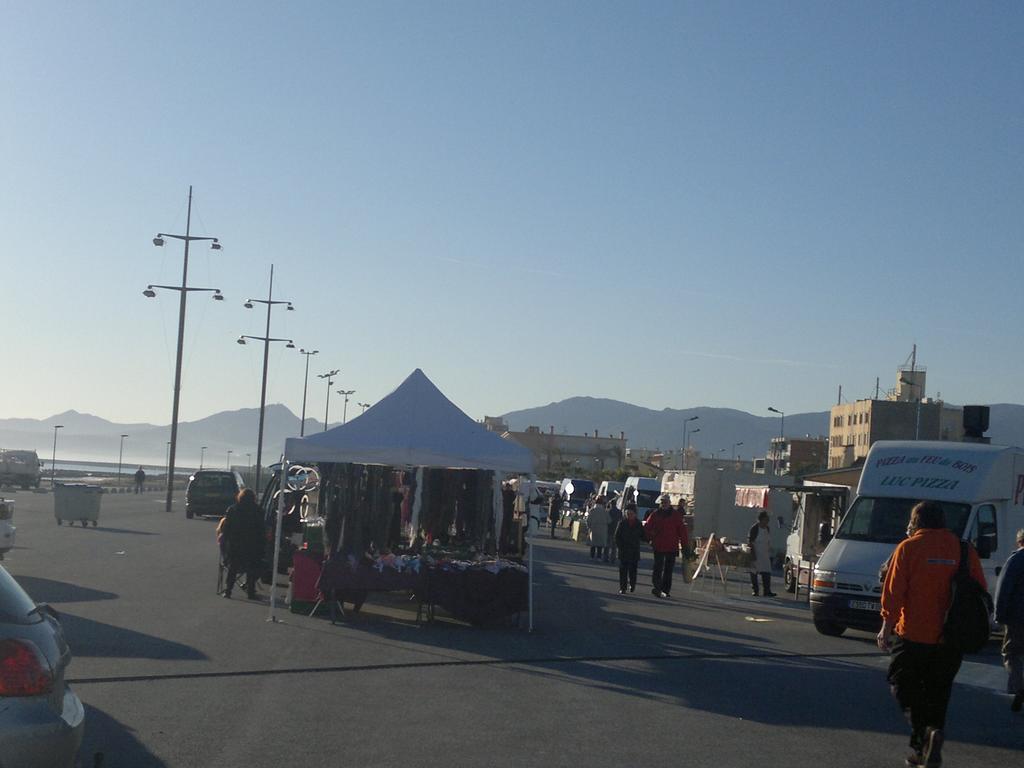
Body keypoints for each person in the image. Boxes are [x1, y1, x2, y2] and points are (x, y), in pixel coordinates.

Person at [878, 501, 987, 768]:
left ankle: (924, 737)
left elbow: (893, 593)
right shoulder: (963, 549)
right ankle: (932, 737)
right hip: (950, 638)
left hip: (913, 634)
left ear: (916, 521)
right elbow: (979, 590)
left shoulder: (909, 548)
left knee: (902, 685)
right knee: (939, 692)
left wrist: (885, 627)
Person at [994, 528, 1024, 713]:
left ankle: (1018, 687)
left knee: (1011, 653)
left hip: (1018, 617)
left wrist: (999, 614)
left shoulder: (1016, 559)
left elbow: (1004, 588)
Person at [221, 488, 266, 599]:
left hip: (234, 547)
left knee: (233, 568)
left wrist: (225, 549)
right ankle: (250, 591)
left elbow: (225, 530)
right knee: (254, 567)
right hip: (252, 547)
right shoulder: (258, 511)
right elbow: (261, 531)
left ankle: (228, 591)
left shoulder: (232, 510)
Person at [644, 495, 687, 598]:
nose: (664, 504)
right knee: (657, 567)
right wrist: (650, 536)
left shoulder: (675, 515)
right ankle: (657, 587)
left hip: (671, 546)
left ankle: (665, 590)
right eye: (662, 502)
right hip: (658, 545)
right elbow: (647, 527)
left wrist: (685, 545)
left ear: (669, 503)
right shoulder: (655, 514)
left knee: (668, 569)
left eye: (665, 502)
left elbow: (682, 530)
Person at [614, 503, 644, 594]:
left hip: (634, 550)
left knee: (633, 570)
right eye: (627, 514)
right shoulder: (622, 523)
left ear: (635, 514)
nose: (629, 515)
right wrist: (620, 546)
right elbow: (617, 536)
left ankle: (632, 584)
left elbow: (643, 535)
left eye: (631, 514)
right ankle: (623, 587)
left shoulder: (638, 524)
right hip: (623, 550)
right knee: (623, 570)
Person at [748, 511, 776, 597]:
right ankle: (755, 590)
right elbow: (750, 542)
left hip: (765, 554)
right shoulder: (754, 529)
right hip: (756, 553)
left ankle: (767, 591)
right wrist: (752, 554)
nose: (767, 522)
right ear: (761, 520)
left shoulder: (767, 529)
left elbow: (767, 541)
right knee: (754, 572)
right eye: (765, 519)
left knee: (766, 572)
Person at [587, 496, 609, 560]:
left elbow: (588, 520)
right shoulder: (605, 511)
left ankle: (592, 556)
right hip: (602, 529)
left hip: (594, 528)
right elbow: (609, 520)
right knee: (600, 544)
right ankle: (599, 557)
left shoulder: (592, 510)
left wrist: (589, 527)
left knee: (593, 543)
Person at [605, 497, 622, 563]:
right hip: (616, 529)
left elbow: (606, 520)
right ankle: (613, 558)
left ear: (611, 504)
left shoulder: (608, 511)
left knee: (607, 545)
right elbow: (621, 520)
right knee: (614, 546)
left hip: (609, 529)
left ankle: (606, 557)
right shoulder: (619, 512)